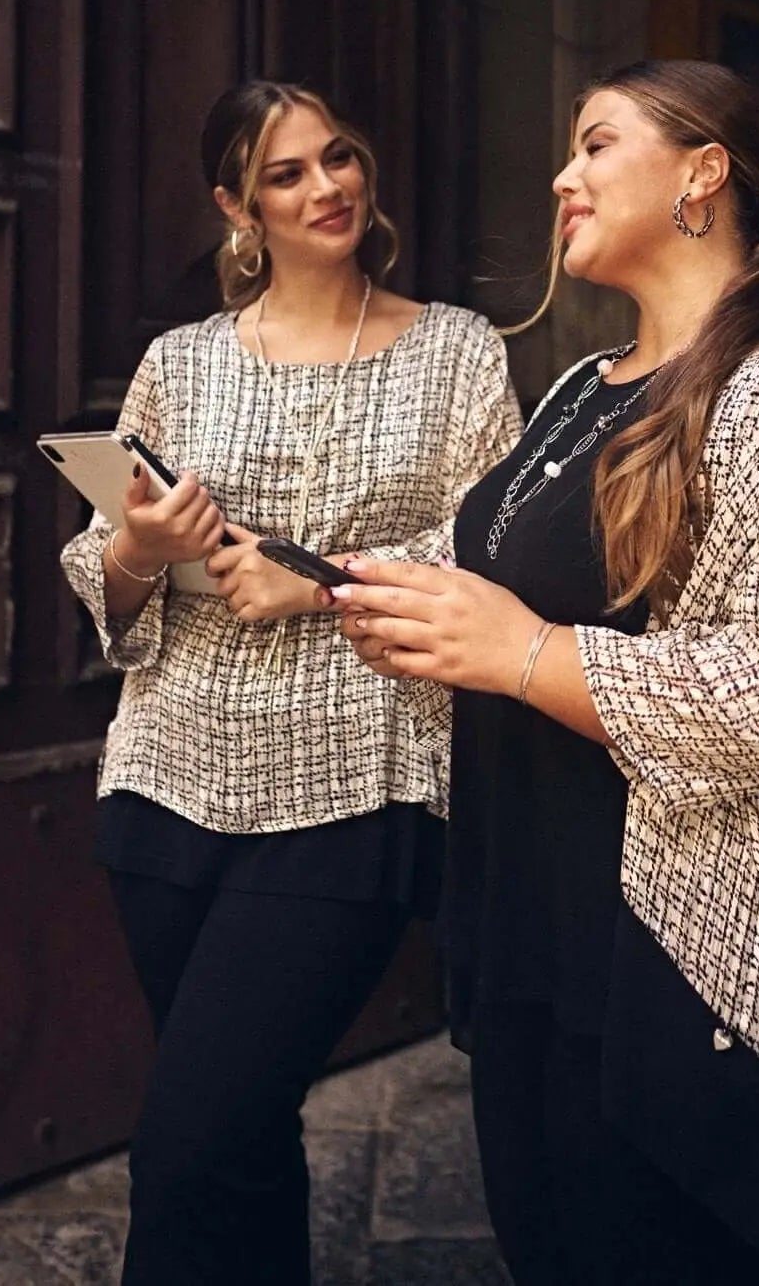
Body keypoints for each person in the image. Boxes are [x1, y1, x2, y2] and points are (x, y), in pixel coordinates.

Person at [336, 60, 759, 1285]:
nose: (564, 175)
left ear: (701, 173)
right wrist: (328, 580)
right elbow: (490, 559)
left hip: (691, 956)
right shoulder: (582, 387)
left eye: (598, 143)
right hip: (533, 923)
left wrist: (525, 655)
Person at [60, 78, 520, 1286]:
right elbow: (103, 568)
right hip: (165, 775)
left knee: (184, 1146)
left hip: (357, 778)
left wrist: (315, 583)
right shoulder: (180, 360)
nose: (329, 186)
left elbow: (500, 547)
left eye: (339, 156)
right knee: (244, 1133)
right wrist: (139, 545)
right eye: (287, 172)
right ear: (237, 207)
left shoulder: (458, 350)